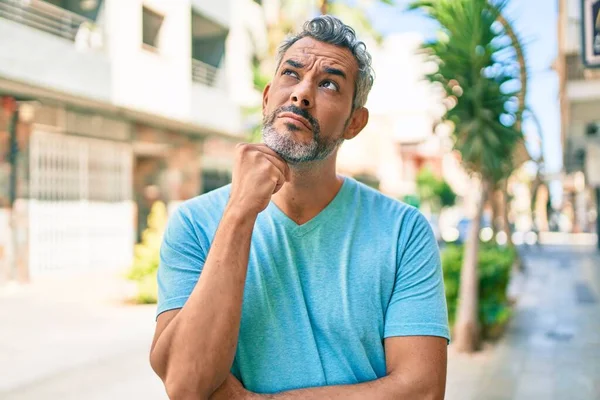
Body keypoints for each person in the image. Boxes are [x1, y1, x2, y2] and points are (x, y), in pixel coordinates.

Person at [150, 15, 449, 399]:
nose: (302, 93)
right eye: (291, 74)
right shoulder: (194, 223)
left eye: (328, 84)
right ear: (266, 97)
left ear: (354, 123)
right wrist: (240, 212)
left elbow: (421, 391)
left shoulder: (403, 231)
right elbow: (186, 385)